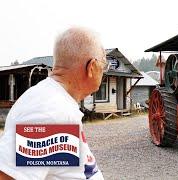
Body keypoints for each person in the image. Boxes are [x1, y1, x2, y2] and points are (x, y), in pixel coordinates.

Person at [0, 27, 108, 179]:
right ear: (91, 67)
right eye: (104, 65)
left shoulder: (54, 101)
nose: (104, 71)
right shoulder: (51, 111)